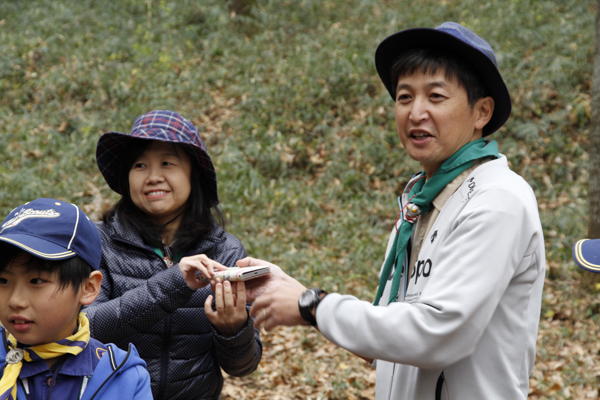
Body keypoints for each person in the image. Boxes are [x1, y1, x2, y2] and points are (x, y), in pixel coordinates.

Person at [241, 22, 546, 399]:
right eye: (404, 97)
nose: (416, 112)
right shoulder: (419, 205)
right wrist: (296, 292)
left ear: (481, 111)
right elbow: (388, 342)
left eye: (435, 96)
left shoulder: (498, 199)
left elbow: (438, 334)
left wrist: (313, 306)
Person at [84, 110, 262, 400]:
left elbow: (243, 366)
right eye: (140, 165)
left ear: (194, 174)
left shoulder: (225, 249)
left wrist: (234, 330)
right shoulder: (98, 242)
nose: (153, 177)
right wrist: (174, 283)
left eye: (167, 163)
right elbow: (85, 328)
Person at [0, 198, 152, 400]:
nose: (15, 301)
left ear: (88, 288)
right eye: (3, 280)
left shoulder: (123, 378)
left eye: (36, 281)